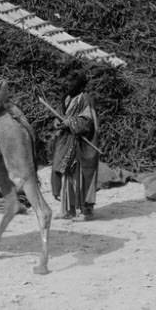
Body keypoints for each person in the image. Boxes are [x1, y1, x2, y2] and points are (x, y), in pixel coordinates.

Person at [48, 69, 99, 220]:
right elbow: (59, 115)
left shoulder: (85, 99)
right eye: (68, 83)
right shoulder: (67, 98)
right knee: (67, 175)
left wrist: (69, 122)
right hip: (66, 141)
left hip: (81, 144)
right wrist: (58, 122)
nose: (69, 86)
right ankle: (68, 210)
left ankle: (86, 212)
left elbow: (88, 123)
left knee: (81, 176)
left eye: (72, 83)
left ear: (80, 85)